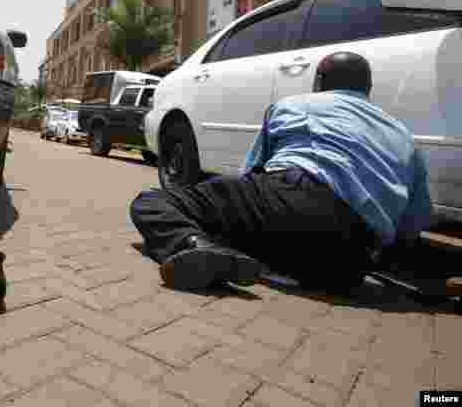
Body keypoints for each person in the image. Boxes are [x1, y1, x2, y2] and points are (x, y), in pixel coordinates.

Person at [130, 52, 433, 293]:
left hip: (289, 202)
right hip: (349, 257)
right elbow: (413, 223)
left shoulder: (294, 104)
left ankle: (194, 245)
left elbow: (253, 172)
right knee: (278, 238)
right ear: (367, 89)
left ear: (319, 83)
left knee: (153, 202)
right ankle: (283, 264)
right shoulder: (403, 134)